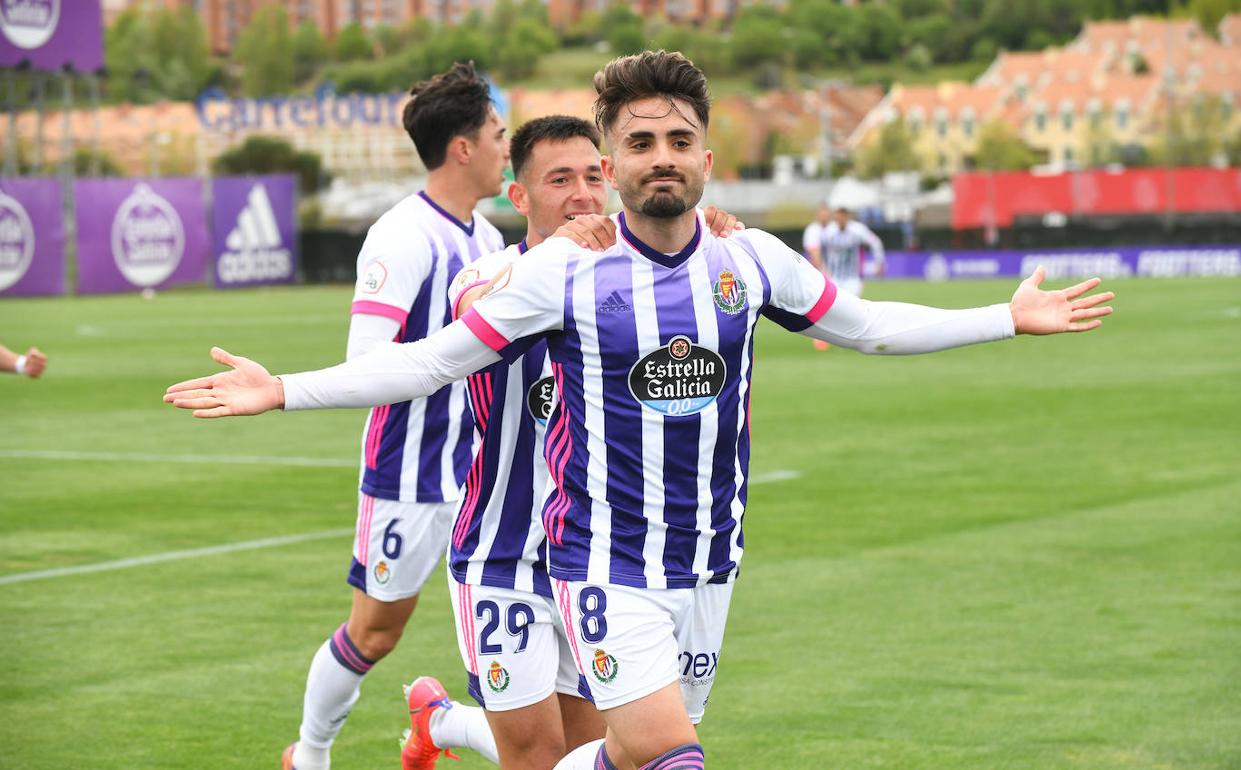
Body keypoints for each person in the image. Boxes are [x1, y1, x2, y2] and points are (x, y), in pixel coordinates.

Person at [165, 51, 1113, 770]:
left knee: (620, 754)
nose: (661, 159)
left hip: (710, 560)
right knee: (671, 759)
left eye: (678, 140)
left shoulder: (751, 261)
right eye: (637, 144)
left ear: (707, 153)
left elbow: (866, 326)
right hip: (601, 567)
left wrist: (1005, 317)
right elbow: (429, 362)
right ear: (612, 162)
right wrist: (283, 388)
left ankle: (443, 729)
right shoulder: (559, 273)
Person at [413, 114, 741, 770]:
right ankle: (445, 721)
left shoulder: (637, 280)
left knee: (598, 752)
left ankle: (441, 720)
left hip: (602, 556)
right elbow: (476, 306)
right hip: (506, 553)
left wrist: (714, 241)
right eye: (560, 180)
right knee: (534, 756)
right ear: (520, 196)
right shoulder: (488, 275)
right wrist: (558, 254)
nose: (583, 194)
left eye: (593, 175)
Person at [282, 62, 507, 770]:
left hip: (482, 479)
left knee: (512, 647)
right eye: (499, 135)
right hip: (410, 476)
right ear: (463, 147)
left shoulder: (489, 241)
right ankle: (310, 756)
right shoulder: (402, 236)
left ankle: (442, 723)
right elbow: (366, 363)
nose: (508, 148)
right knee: (374, 636)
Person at [803, 204, 886, 349]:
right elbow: (816, 250)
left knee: (853, 310)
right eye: (837, 218)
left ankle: (855, 338)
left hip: (853, 278)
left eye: (842, 218)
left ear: (846, 218)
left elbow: (875, 242)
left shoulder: (857, 230)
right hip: (834, 278)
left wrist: (879, 261)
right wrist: (821, 269)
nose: (839, 221)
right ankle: (823, 338)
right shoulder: (828, 232)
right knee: (828, 309)